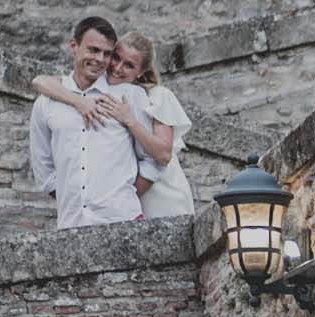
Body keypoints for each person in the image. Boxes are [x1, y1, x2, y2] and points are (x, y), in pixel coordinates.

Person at [31, 31, 197, 219]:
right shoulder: (101, 91)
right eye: (116, 58)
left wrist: (129, 120)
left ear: (141, 71)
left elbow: (163, 155)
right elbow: (40, 81)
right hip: (126, 202)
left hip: (162, 195)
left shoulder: (157, 96)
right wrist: (78, 102)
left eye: (129, 65)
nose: (117, 68)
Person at [27, 16, 162, 229]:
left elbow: (152, 160)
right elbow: (43, 166)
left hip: (124, 221)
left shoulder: (130, 96)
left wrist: (121, 197)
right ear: (74, 46)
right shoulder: (46, 102)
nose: (100, 59)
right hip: (71, 224)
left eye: (107, 54)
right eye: (93, 50)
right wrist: (74, 199)